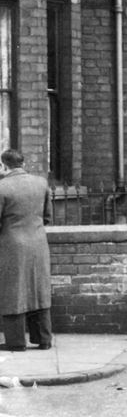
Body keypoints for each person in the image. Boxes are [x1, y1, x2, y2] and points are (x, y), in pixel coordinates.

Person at [0, 148, 53, 351]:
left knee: (13, 291)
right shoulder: (41, 183)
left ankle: (16, 342)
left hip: (12, 245)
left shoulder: (2, 187)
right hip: (39, 243)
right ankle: (44, 340)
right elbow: (47, 216)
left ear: (4, 165)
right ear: (23, 163)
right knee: (39, 290)